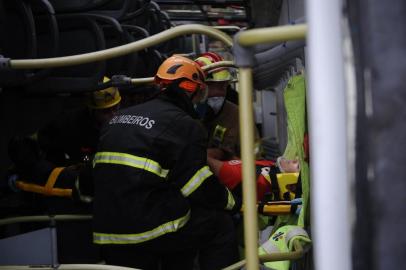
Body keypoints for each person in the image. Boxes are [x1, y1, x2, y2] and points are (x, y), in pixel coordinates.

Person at [92, 55, 241, 270]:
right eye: (201, 93)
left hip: (106, 234)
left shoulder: (118, 118)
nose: (202, 101)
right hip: (147, 232)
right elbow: (198, 186)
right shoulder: (186, 125)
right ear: (190, 89)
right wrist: (234, 203)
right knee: (219, 225)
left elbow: (93, 172)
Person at [7, 76, 121, 209]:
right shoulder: (69, 124)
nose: (113, 115)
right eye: (106, 111)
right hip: (69, 188)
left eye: (116, 108)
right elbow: (29, 145)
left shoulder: (123, 124)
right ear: (92, 110)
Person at [195, 52, 259, 160]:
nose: (218, 93)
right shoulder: (183, 114)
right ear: (198, 87)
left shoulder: (238, 115)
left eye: (223, 86)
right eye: (211, 86)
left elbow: (256, 157)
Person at [207, 155, 300, 202]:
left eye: (297, 165)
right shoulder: (269, 170)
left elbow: (208, 161)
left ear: (292, 187)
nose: (295, 159)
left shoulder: (242, 175)